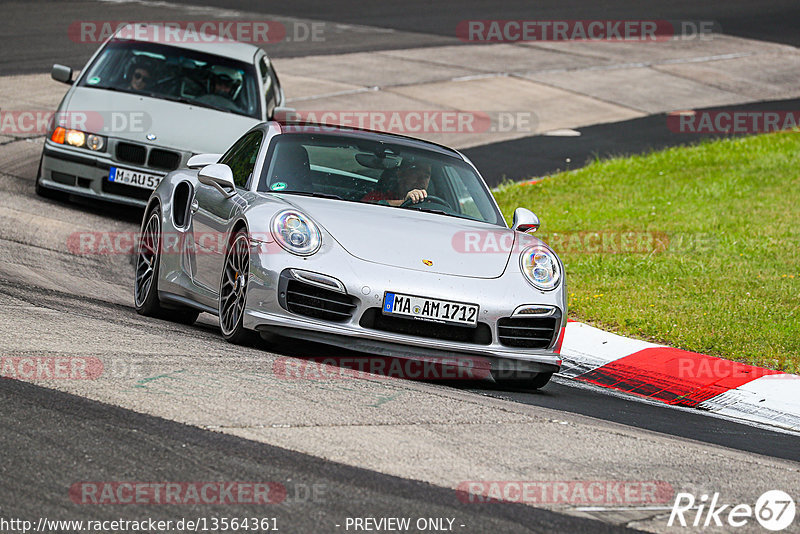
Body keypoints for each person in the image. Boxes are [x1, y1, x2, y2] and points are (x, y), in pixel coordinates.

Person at [362, 160, 431, 205]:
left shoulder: (432, 204)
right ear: (401, 174)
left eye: (426, 176)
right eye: (416, 174)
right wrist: (405, 202)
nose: (422, 179)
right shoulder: (378, 195)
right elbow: (364, 208)